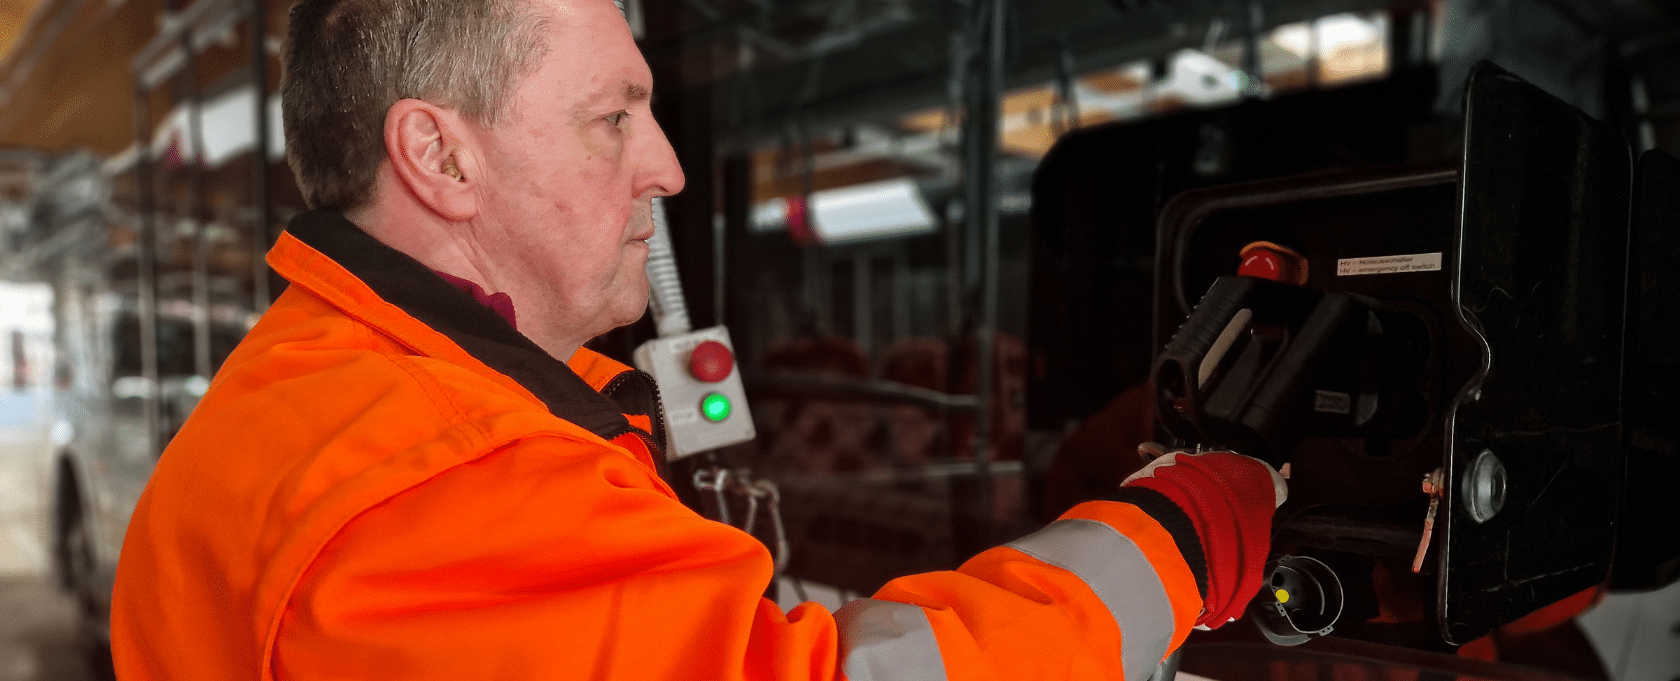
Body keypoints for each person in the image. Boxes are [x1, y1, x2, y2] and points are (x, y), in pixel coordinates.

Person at [109, 0, 1287, 678]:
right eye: (612, 117)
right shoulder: (446, 482)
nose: (666, 166)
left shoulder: (297, 395)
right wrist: (1179, 534)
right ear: (443, 157)